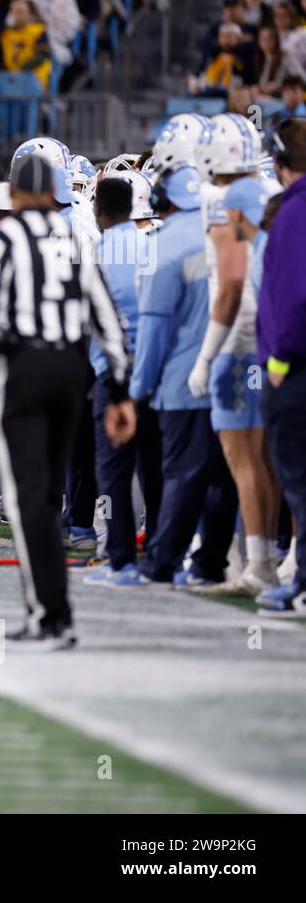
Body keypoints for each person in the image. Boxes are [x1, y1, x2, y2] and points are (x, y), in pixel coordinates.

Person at [0, 152, 135, 648]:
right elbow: (107, 319)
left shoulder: (2, 242)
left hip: (22, 372)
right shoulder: (76, 238)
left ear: (15, 195)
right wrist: (119, 390)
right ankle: (56, 612)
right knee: (50, 492)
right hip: (72, 373)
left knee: (26, 499)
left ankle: (49, 615)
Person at [129, 146, 236, 586]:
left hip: (180, 381)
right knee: (223, 476)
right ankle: (212, 561)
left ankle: (163, 561)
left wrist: (138, 390)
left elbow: (154, 331)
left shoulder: (163, 245)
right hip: (231, 376)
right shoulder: (227, 232)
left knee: (181, 475)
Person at [188, 114, 283, 593]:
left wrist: (206, 356)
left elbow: (229, 285)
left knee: (242, 459)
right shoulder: (266, 191)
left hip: (238, 345)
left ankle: (259, 566)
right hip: (268, 343)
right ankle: (266, 562)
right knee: (264, 460)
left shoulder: (225, 203)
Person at [83, 175, 163, 584]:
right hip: (153, 373)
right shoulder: (152, 246)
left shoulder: (96, 252)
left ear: (98, 211)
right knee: (154, 466)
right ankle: (159, 555)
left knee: (113, 471)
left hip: (112, 376)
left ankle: (120, 559)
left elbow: (88, 321)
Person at [257, 118, 306, 616]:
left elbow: (293, 297)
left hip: (295, 368)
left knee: (299, 480)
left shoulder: (294, 212)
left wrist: (279, 358)